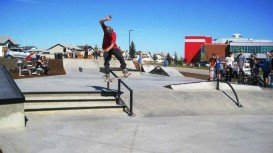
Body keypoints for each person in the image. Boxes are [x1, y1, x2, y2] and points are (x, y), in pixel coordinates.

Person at [99, 15, 128, 81]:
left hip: (113, 48)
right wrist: (105, 19)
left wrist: (107, 50)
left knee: (121, 57)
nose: (110, 35)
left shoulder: (114, 34)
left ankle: (124, 69)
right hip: (106, 48)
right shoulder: (105, 29)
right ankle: (107, 76)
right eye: (108, 34)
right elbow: (100, 21)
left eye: (110, 33)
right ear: (106, 32)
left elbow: (112, 44)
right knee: (106, 61)